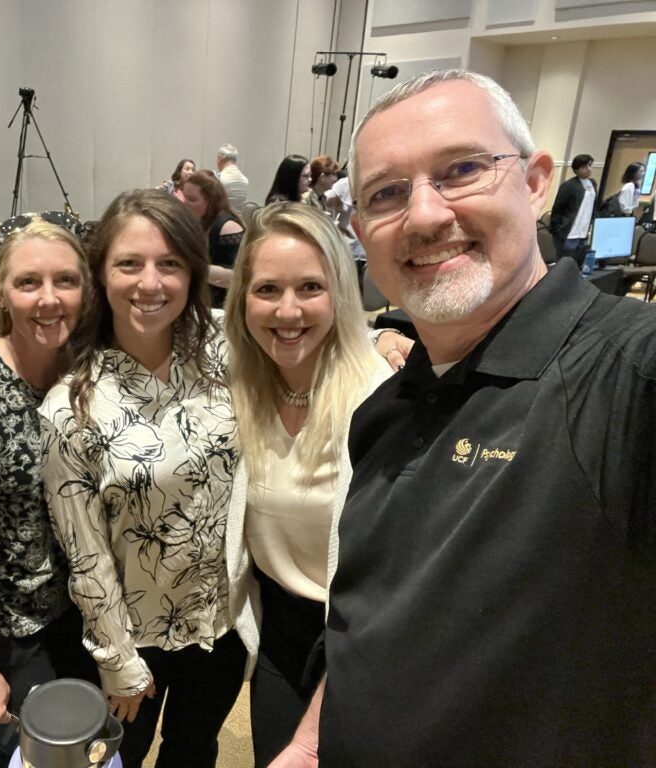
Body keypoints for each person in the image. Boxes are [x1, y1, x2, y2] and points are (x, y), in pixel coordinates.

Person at [274, 69, 656, 767]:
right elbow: (377, 612)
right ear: (362, 231)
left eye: (461, 171)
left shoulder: (624, 375)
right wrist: (310, 737)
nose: (423, 215)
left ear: (535, 181)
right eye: (387, 193)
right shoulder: (386, 409)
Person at [38, 189, 250, 768]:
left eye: (170, 264)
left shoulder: (226, 355)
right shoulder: (71, 408)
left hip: (222, 627)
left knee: (193, 752)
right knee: (117, 760)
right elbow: (85, 554)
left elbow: (311, 334)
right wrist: (117, 658)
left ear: (192, 272)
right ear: (101, 276)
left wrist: (383, 335)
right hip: (137, 640)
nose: (150, 283)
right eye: (129, 264)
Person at [222, 202, 391, 767]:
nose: (287, 311)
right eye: (267, 289)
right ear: (243, 297)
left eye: (310, 288)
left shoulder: (379, 396)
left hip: (359, 639)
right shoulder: (240, 384)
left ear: (340, 293)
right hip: (279, 636)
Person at [0, 218, 98, 768]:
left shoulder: (87, 370)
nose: (49, 300)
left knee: (89, 752)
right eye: (29, 283)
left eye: (66, 281)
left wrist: (383, 334)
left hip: (82, 609)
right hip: (11, 628)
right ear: (0, 291)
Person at [181, 170, 244, 308]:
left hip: (222, 306)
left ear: (211, 200)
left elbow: (235, 277)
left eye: (192, 199)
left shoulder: (228, 227)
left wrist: (193, 266)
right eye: (184, 198)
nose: (185, 204)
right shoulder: (199, 222)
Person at [549, 153, 596, 259]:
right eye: (584, 167)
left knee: (577, 263)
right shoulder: (568, 186)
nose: (588, 169)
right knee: (565, 262)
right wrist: (557, 230)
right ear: (576, 169)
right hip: (569, 233)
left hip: (583, 233)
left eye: (590, 166)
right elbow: (557, 209)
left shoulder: (592, 184)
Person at [217, 143, 249, 212]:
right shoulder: (245, 180)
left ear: (220, 157)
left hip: (222, 219)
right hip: (239, 220)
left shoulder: (219, 178)